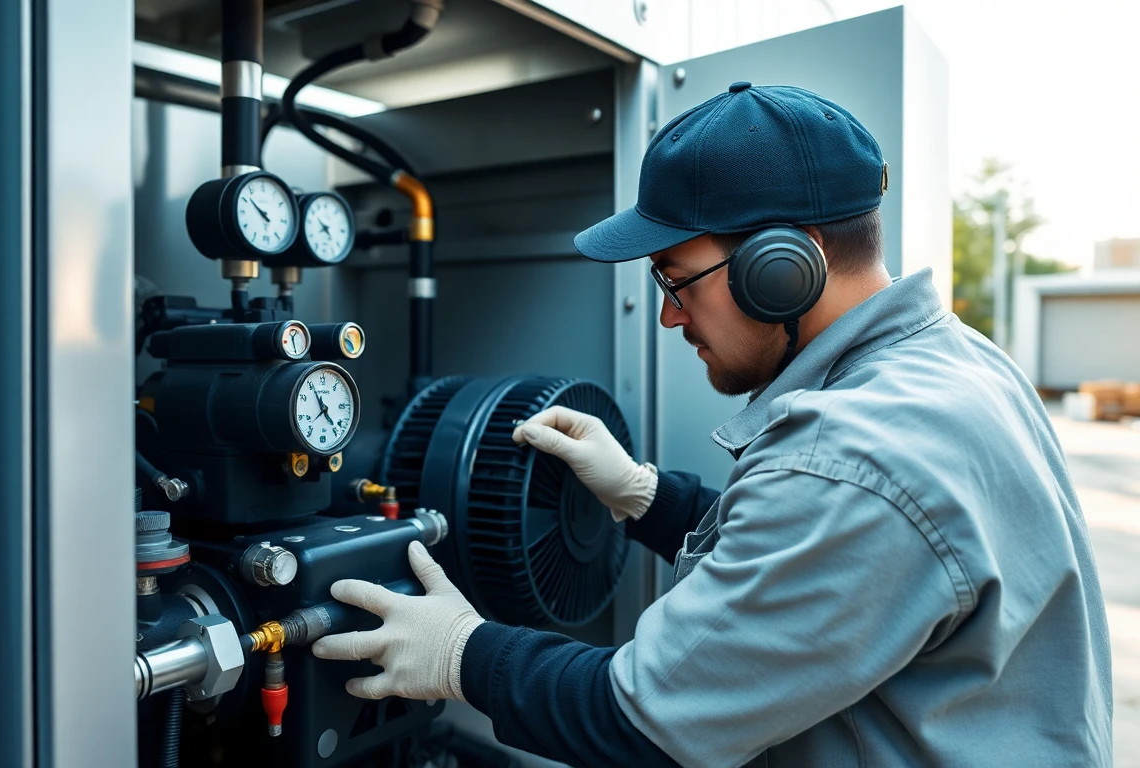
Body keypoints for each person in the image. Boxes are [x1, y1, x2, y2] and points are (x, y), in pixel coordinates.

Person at [312, 82, 1113, 766]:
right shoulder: (955, 362)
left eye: (675, 278)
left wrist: (463, 653)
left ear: (782, 268)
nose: (668, 314)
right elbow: (814, 573)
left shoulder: (849, 456)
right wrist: (644, 496)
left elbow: (645, 726)